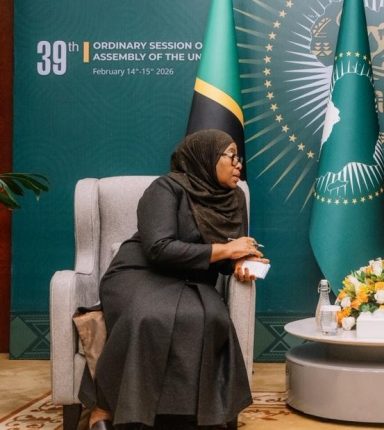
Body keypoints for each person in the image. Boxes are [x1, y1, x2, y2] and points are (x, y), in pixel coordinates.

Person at [82, 129, 266, 429]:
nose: (238, 165)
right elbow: (158, 248)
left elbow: (226, 255)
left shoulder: (235, 198)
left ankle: (200, 413)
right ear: (206, 157)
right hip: (140, 272)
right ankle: (105, 407)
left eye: (239, 158)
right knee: (148, 316)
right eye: (231, 156)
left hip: (193, 280)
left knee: (212, 318)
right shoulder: (166, 188)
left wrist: (241, 262)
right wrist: (227, 250)